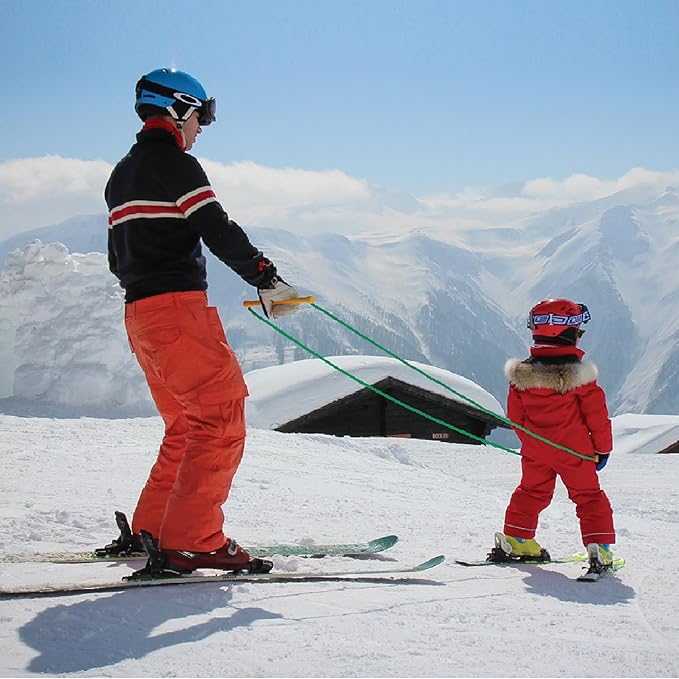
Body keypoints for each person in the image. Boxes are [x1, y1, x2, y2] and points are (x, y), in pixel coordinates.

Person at [103, 67, 300, 575]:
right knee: (219, 419)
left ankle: (154, 529)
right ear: (178, 110)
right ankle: (192, 540)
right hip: (176, 311)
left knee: (186, 425)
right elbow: (215, 226)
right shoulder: (177, 166)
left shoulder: (122, 173)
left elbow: (117, 258)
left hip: (141, 315)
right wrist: (265, 276)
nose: (202, 127)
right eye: (201, 115)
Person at [494, 298, 615, 567]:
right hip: (575, 450)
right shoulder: (580, 377)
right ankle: (599, 547)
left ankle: (518, 539)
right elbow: (596, 416)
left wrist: (531, 442)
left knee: (531, 491)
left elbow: (516, 416)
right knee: (588, 496)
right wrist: (602, 448)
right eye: (579, 331)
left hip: (536, 449)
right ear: (569, 332)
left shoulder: (520, 377)